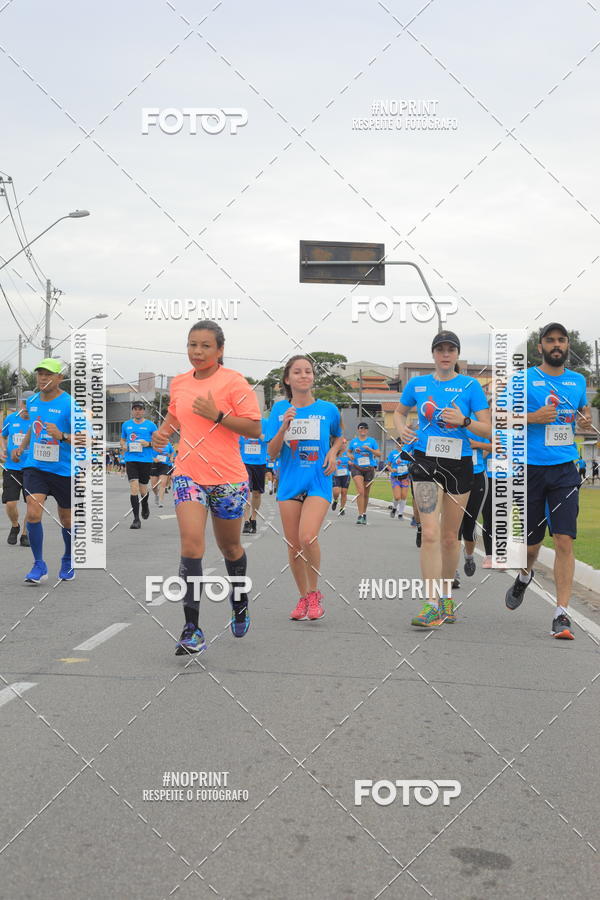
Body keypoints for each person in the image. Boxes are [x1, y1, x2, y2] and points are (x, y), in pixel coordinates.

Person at [152, 321, 261, 653]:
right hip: (188, 475)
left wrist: (218, 415)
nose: (197, 352)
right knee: (191, 545)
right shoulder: (180, 383)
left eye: (204, 346)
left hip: (227, 478)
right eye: (191, 345)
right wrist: (162, 433)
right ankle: (192, 628)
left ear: (220, 350)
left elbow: (255, 429)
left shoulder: (234, 382)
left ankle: (239, 601)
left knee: (230, 548)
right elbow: (175, 417)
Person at [395, 332, 491, 627]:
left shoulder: (470, 386)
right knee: (431, 533)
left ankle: (447, 596)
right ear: (433, 354)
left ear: (457, 355)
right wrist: (401, 429)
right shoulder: (418, 384)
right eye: (440, 350)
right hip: (425, 461)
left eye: (451, 350)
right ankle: (431, 603)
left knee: (451, 537)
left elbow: (488, 429)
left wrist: (463, 421)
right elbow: (400, 412)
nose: (445, 355)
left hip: (459, 465)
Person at [504, 323, 591, 640]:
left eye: (562, 340)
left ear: (568, 346)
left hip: (566, 468)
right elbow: (500, 418)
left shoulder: (578, 381)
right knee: (531, 546)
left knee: (565, 540)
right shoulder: (523, 380)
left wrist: (585, 418)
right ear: (539, 346)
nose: (557, 345)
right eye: (550, 340)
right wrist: (531, 418)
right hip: (530, 469)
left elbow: (582, 413)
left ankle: (561, 614)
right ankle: (525, 575)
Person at [267, 355, 343, 621]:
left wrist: (333, 452)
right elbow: (272, 452)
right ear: (287, 379)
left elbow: (340, 437)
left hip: (318, 479)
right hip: (289, 482)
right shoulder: (278, 410)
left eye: (308, 371)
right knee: (293, 546)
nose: (303, 376)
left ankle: (314, 593)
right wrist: (283, 427)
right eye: (297, 372)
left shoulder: (328, 409)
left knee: (307, 537)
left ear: (313, 377)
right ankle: (303, 597)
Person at [11, 360, 74, 584]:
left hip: (62, 470)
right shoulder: (33, 400)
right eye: (40, 374)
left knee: (66, 519)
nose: (43, 379)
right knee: (33, 511)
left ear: (59, 378)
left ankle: (67, 558)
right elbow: (32, 427)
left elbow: (88, 439)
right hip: (35, 465)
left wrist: (63, 436)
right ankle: (39, 564)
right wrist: (22, 447)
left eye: (49, 375)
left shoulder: (70, 404)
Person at [1, 392, 33, 547]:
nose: (27, 406)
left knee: (32, 504)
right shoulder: (11, 419)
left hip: (32, 469)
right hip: (11, 467)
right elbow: (2, 435)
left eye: (30, 403)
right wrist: (2, 449)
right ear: (20, 403)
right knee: (10, 503)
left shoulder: (37, 421)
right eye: (25, 403)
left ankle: (25, 534)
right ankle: (15, 526)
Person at [121, 401, 157, 529]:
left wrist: (148, 444)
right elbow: (123, 439)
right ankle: (136, 519)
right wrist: (123, 445)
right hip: (131, 459)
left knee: (143, 489)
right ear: (132, 411)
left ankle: (145, 504)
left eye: (140, 409)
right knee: (134, 488)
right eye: (135, 409)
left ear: (144, 411)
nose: (137, 411)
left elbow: (158, 442)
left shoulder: (151, 425)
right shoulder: (126, 425)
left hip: (146, 461)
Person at [458, 431, 490, 576]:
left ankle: (469, 556)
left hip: (477, 476)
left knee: (469, 527)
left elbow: (501, 445)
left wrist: (477, 445)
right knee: (453, 528)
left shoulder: (481, 419)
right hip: (454, 476)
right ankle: (452, 571)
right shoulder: (447, 420)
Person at [348, 422, 381, 525]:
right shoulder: (354, 442)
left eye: (365, 428)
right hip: (356, 467)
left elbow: (379, 454)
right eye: (361, 428)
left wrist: (369, 449)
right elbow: (348, 452)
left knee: (366, 493)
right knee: (360, 491)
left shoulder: (372, 441)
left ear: (367, 430)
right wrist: (351, 455)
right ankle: (360, 515)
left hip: (369, 469)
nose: (363, 430)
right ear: (358, 429)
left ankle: (364, 513)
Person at [240, 418, 269, 534]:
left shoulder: (266, 423)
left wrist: (259, 435)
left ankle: (254, 518)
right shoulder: (241, 421)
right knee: (245, 492)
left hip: (260, 462)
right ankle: (246, 521)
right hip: (243, 462)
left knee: (256, 493)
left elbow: (269, 440)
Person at [383, 439, 410, 519]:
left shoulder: (407, 453)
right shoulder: (393, 453)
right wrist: (391, 470)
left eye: (403, 443)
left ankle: (400, 513)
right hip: (396, 477)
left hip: (405, 477)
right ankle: (394, 508)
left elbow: (410, 464)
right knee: (397, 497)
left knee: (404, 496)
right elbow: (387, 465)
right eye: (399, 443)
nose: (401, 444)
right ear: (396, 444)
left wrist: (408, 468)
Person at [150, 440, 174, 507]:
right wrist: (153, 458)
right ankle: (156, 495)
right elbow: (147, 453)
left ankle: (161, 501)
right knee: (154, 486)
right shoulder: (153, 443)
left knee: (162, 483)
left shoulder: (168, 443)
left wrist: (171, 457)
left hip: (164, 465)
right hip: (154, 465)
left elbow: (172, 452)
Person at [332, 438, 351, 515]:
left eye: (345, 443)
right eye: (342, 443)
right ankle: (335, 500)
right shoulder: (334, 453)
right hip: (336, 475)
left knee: (344, 492)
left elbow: (353, 461)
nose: (343, 445)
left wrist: (351, 463)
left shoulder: (348, 454)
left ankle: (342, 508)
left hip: (345, 475)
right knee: (336, 492)